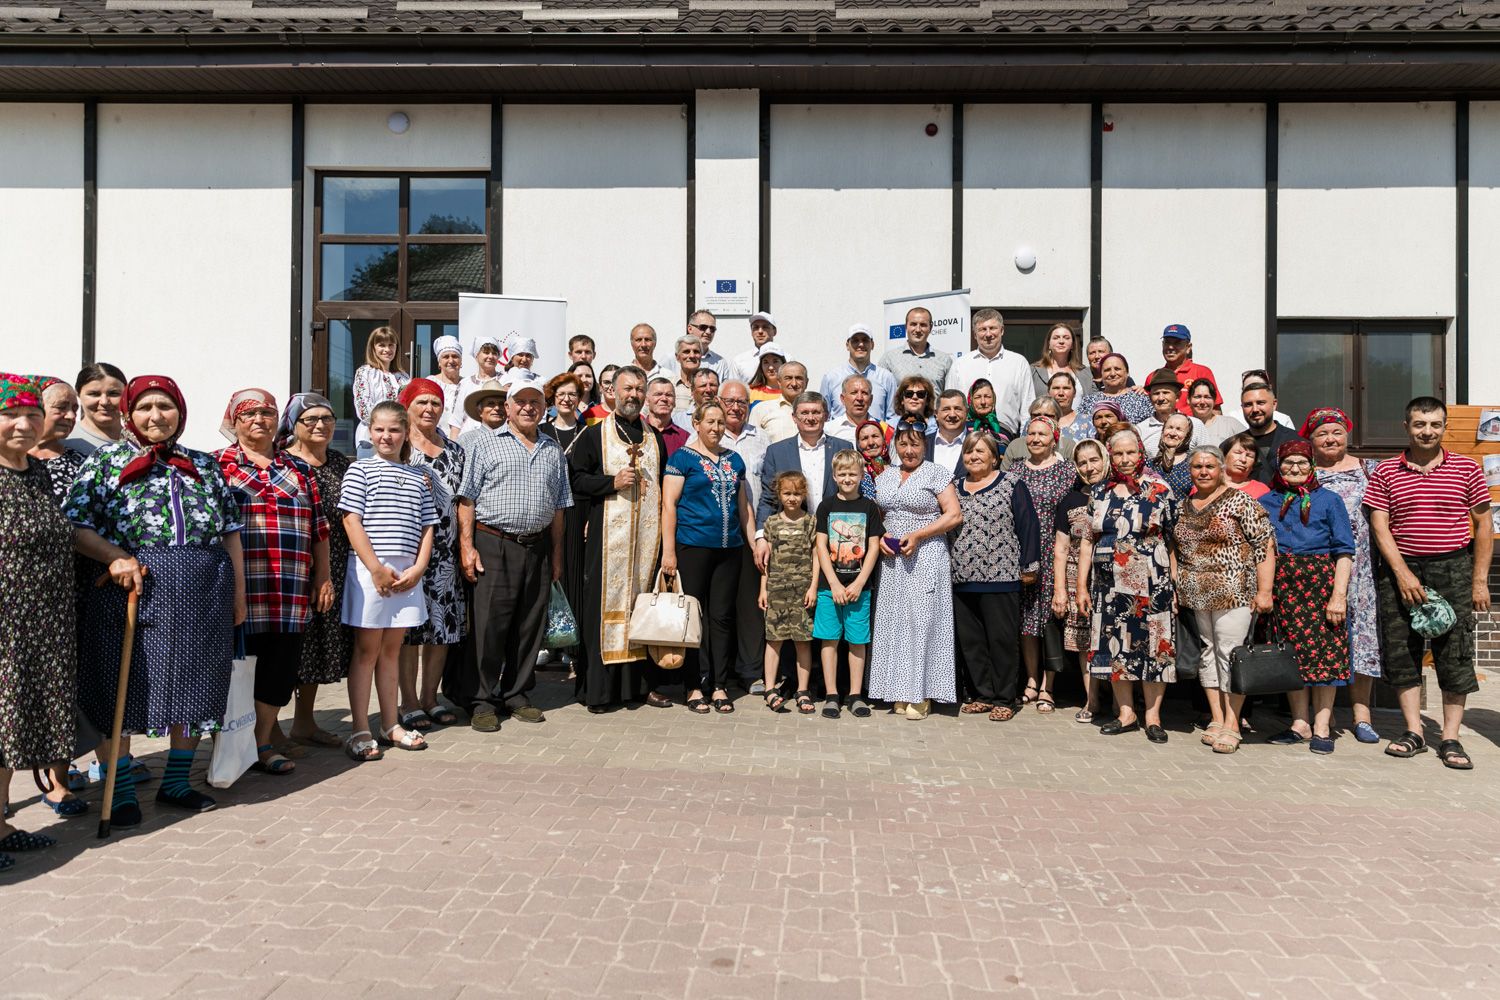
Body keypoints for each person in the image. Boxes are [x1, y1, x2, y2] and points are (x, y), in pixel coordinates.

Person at [66, 374, 245, 822]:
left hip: (203, 593)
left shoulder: (203, 464)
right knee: (118, 691)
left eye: (164, 407)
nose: (155, 416)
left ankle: (176, 783)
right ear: (129, 413)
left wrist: (239, 595)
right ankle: (120, 789)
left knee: (196, 687)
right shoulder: (105, 462)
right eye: (144, 407)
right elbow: (77, 527)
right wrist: (115, 558)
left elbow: (230, 534)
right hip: (131, 590)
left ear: (179, 412)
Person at [1365, 397, 1491, 770]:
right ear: (1406, 427)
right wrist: (1402, 573)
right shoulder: (1386, 471)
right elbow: (1379, 525)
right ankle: (1413, 731)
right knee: (1403, 651)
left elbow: (1484, 525)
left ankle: (1450, 738)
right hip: (1401, 570)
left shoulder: (1467, 468)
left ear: (1444, 426)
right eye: (1420, 424)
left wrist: (1480, 580)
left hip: (1453, 568)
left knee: (1455, 653)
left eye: (1435, 424)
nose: (1427, 431)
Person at [216, 387, 332, 777]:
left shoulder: (298, 470)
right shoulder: (216, 466)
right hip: (238, 591)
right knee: (233, 670)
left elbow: (320, 529)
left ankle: (261, 743)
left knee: (278, 671)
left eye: (266, 413)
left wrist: (323, 577)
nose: (259, 421)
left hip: (289, 590)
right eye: (248, 414)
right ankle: (231, 745)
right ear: (233, 420)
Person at [454, 373, 572, 731]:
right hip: (494, 543)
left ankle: (517, 694)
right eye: (520, 401)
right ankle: (482, 700)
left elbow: (558, 508)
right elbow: (466, 498)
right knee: (489, 626)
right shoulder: (484, 443)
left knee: (528, 626)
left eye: (535, 401)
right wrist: (467, 546)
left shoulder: (552, 449)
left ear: (543, 407)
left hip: (536, 546)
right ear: (507, 407)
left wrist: (556, 555)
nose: (528, 407)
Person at [0, 375, 91, 836]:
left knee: (21, 720)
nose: (23, 425)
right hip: (7, 620)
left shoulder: (34, 471)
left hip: (46, 616)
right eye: (10, 415)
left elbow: (66, 531)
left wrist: (116, 557)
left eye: (32, 415)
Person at [339, 401, 437, 759]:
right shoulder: (359, 471)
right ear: (369, 432)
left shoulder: (417, 476)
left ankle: (391, 723)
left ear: (405, 433)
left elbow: (428, 526)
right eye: (379, 429)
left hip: (407, 574)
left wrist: (419, 567)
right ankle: (360, 728)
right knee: (367, 651)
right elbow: (352, 521)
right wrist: (376, 568)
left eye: (394, 430)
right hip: (370, 572)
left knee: (392, 651)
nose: (386, 436)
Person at [567, 366, 665, 712]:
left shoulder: (654, 438)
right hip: (606, 540)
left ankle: (637, 687)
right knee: (602, 611)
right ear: (613, 391)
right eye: (627, 388)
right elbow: (576, 479)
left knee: (641, 609)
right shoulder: (595, 435)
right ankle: (599, 690)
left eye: (639, 389)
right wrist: (610, 482)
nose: (633, 395)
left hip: (645, 544)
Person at [1076, 427, 1179, 744]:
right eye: (1118, 453)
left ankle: (1152, 716)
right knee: (1116, 646)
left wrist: (1174, 581)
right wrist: (1081, 586)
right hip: (1108, 585)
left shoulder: (1159, 490)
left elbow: (1173, 539)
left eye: (1130, 452)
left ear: (1140, 454)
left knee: (1154, 648)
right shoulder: (1099, 493)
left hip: (1152, 579)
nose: (1124, 459)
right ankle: (1126, 713)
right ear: (1111, 456)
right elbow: (1086, 541)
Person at [1174, 446, 1275, 754]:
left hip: (1235, 591)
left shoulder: (1241, 501)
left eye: (1209, 466)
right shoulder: (1184, 505)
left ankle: (1233, 723)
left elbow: (1265, 544)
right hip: (1196, 594)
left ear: (1221, 469)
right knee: (1207, 653)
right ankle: (1216, 718)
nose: (1203, 471)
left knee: (1230, 654)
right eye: (1197, 467)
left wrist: (1265, 591)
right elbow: (1175, 547)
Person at [1259, 440, 1356, 755]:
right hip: (1283, 586)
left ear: (1312, 465)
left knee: (1325, 657)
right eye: (1289, 463)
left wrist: (1338, 596)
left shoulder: (1329, 500)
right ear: (1279, 465)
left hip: (1320, 584)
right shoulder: (1267, 501)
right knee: (1291, 656)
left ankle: (1323, 726)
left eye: (1302, 462)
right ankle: (1299, 723)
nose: (1295, 468)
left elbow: (1344, 551)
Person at [662, 399, 755, 715]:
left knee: (722, 618)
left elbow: (744, 507)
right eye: (710, 422)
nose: (716, 428)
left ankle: (719, 684)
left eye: (720, 422)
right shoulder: (682, 459)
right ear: (697, 424)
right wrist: (669, 552)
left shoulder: (735, 459)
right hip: (693, 547)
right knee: (692, 617)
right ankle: (693, 685)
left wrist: (753, 541)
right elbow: (669, 505)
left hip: (729, 550)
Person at [276, 392, 357, 748]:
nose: (321, 425)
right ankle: (268, 728)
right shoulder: (281, 464)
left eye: (327, 418)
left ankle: (304, 722)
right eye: (311, 419)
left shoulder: (340, 462)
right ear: (294, 425)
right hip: (292, 564)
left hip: (335, 561)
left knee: (317, 646)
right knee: (286, 648)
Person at [868, 419, 963, 719]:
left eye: (915, 444)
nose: (908, 450)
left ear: (925, 445)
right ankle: (896, 690)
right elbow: (877, 516)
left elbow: (954, 515)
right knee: (894, 621)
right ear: (894, 445)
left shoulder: (936, 473)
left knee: (922, 621)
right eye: (903, 444)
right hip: (892, 559)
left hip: (926, 555)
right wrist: (881, 536)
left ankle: (921, 694)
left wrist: (920, 535)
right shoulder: (884, 476)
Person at [1307, 406, 1383, 743]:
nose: (1330, 438)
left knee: (1363, 638)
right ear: (1311, 439)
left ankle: (1361, 714)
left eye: (1336, 431)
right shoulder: (1305, 474)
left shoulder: (1370, 470)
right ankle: (1320, 716)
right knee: (1322, 638)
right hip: (1321, 569)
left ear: (1347, 434)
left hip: (1363, 570)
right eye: (1322, 433)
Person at [951, 432, 1039, 720]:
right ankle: (982, 694)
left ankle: (1004, 697)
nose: (973, 456)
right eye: (968, 452)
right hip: (963, 576)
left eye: (980, 451)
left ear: (994, 456)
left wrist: (1030, 566)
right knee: (972, 640)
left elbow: (1028, 526)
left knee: (1001, 640)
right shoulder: (955, 487)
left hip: (1001, 576)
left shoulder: (1011, 484)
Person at [397, 378, 467, 732]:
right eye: (421, 402)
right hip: (408, 553)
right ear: (407, 406)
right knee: (410, 632)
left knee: (443, 628)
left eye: (435, 403)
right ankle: (408, 701)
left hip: (446, 557)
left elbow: (463, 502)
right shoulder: (398, 446)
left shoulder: (455, 450)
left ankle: (430, 698)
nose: (429, 409)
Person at [813, 449, 885, 720]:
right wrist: (833, 583)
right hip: (829, 587)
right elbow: (821, 546)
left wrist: (858, 583)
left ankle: (855, 694)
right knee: (829, 640)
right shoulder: (826, 506)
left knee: (857, 641)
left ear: (861, 475)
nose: (847, 478)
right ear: (834, 476)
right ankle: (832, 694)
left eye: (852, 473)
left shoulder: (868, 508)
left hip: (859, 588)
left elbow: (874, 547)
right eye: (842, 473)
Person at [1014, 414, 1076, 712]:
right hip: (1022, 550)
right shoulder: (1015, 470)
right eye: (1031, 433)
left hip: (1054, 551)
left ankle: (1048, 686)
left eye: (1042, 434)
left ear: (1054, 438)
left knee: (1049, 619)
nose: (1036, 439)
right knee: (1026, 620)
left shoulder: (1066, 471)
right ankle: (1029, 679)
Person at [754, 392, 853, 569]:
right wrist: (761, 537)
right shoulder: (777, 452)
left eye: (816, 412)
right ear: (794, 417)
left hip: (835, 537)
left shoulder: (843, 447)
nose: (810, 418)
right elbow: (768, 499)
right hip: (791, 540)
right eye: (804, 413)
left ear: (826, 415)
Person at [1050, 439, 1110, 724]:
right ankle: (1091, 700)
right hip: (1077, 578)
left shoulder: (1119, 493)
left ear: (1105, 459)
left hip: (1113, 576)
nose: (1089, 467)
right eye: (1083, 462)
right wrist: (1060, 589)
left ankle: (1125, 702)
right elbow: (1060, 549)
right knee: (1086, 642)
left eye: (1094, 460)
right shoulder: (1071, 500)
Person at [720, 380, 772, 694]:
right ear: (719, 401)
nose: (736, 407)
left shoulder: (761, 439)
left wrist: (761, 535)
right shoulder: (708, 435)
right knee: (721, 604)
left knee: (752, 604)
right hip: (718, 531)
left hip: (754, 532)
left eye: (742, 402)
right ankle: (721, 670)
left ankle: (751, 670)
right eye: (730, 401)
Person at [541, 372, 589, 677]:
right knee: (547, 577)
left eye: (573, 394)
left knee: (573, 578)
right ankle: (545, 645)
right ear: (553, 397)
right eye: (562, 394)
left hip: (578, 511)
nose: (567, 399)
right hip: (545, 512)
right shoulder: (542, 430)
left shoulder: (589, 432)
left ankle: (572, 651)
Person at [758, 470, 817, 715]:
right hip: (777, 590)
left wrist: (813, 586)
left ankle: (803, 690)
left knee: (803, 641)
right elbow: (766, 561)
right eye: (787, 493)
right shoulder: (771, 523)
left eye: (797, 493)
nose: (792, 498)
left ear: (804, 495)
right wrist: (763, 588)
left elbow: (816, 557)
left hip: (802, 591)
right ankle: (770, 689)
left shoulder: (811, 522)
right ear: (779, 495)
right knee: (774, 641)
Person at [949, 308, 1035, 435]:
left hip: (1007, 439)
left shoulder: (1018, 363)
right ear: (974, 334)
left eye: (993, 328)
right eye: (982, 329)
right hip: (966, 438)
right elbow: (950, 403)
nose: (988, 334)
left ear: (1002, 330)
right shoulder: (960, 364)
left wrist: (1023, 441)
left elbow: (1027, 407)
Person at [352, 326, 411, 459]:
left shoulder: (403, 377)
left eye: (391, 345)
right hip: (371, 439)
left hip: (396, 439)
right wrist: (384, 426)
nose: (387, 350)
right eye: (382, 345)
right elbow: (363, 409)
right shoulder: (365, 372)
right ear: (373, 347)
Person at [822, 324, 896, 422]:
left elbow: (892, 418)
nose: (860, 344)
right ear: (847, 345)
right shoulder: (831, 377)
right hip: (839, 436)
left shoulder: (886, 377)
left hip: (875, 436)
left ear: (872, 345)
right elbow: (823, 415)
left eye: (865, 340)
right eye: (855, 340)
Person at [28, 377, 84, 503]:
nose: (71, 416)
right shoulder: (7, 460)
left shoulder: (82, 465)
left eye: (74, 409)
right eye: (61, 407)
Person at [880, 305, 953, 392]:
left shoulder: (945, 360)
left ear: (931, 328)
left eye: (923, 325)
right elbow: (881, 393)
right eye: (913, 324)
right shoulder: (889, 359)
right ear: (906, 327)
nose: (918, 329)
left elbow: (950, 397)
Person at [1241, 381, 1300, 485]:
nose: (1255, 409)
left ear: (1274, 404)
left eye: (1261, 403)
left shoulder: (1296, 441)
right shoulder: (1233, 446)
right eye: (1248, 404)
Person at [63, 362, 127, 456]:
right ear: (78, 394)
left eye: (113, 393)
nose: (104, 402)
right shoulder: (64, 441)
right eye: (94, 394)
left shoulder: (141, 442)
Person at [1137, 368, 1204, 453]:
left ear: (1178, 396)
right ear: (1150, 398)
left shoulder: (1196, 425)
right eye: (1156, 393)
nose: (1161, 398)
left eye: (1166, 392)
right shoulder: (1140, 429)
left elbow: (1207, 459)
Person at [1159, 324, 1219, 416]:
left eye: (1177, 342)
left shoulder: (1202, 372)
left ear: (1188, 347)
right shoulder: (1154, 376)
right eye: (1167, 342)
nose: (1170, 347)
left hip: (1196, 429)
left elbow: (1215, 410)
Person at [1002, 397, 1075, 469]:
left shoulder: (1069, 447)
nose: (1042, 419)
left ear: (1058, 419)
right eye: (1036, 415)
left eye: (1048, 416)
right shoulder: (1015, 446)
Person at [1078, 354, 1151, 425]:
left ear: (1127, 372)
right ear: (1101, 375)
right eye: (1107, 370)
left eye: (1117, 369)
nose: (1112, 373)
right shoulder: (1088, 401)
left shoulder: (1141, 398)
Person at [454, 336, 504, 438]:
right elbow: (456, 420)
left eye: (494, 353)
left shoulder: (507, 381)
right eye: (486, 352)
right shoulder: (465, 383)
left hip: (499, 438)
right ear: (476, 355)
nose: (490, 356)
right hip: (467, 439)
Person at [750, 359, 809, 444]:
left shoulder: (816, 410)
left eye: (798, 378)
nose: (794, 383)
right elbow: (752, 444)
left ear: (806, 382)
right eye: (788, 378)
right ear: (779, 382)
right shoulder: (761, 409)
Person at [1031, 322, 1095, 399]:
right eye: (1056, 338)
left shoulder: (1085, 373)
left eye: (1066, 338)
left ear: (1072, 345)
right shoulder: (1033, 372)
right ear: (1049, 344)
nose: (1061, 341)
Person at [1147, 412, 1197, 499]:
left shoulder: (1193, 462)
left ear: (1187, 435)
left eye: (1179, 429)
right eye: (1170, 427)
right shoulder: (1150, 464)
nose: (1173, 433)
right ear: (1163, 430)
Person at [1228, 368, 1295, 430]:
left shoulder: (1283, 419)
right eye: (1248, 388)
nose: (1255, 409)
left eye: (1259, 387)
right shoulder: (1232, 418)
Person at [826, 373, 884, 443]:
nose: (859, 398)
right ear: (843, 399)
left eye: (864, 393)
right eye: (854, 393)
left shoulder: (884, 429)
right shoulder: (829, 430)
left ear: (871, 399)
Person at [1188, 377, 1244, 444]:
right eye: (1197, 397)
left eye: (1207, 397)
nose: (1202, 402)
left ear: (1214, 401)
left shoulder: (1230, 424)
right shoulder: (1183, 426)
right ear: (1188, 400)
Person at [928, 389, 969, 475]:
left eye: (958, 409)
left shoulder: (978, 443)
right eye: (946, 409)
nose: (952, 415)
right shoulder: (923, 444)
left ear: (967, 412)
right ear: (936, 414)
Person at [687, 309, 735, 381]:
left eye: (712, 329)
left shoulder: (720, 362)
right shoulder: (673, 359)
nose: (708, 332)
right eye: (703, 327)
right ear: (690, 329)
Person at [645, 377, 689, 456]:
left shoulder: (685, 438)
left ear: (675, 402)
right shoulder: (636, 432)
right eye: (658, 394)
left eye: (669, 395)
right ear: (647, 400)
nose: (664, 399)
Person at [432, 335, 465, 437]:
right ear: (439, 362)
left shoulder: (467, 384)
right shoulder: (431, 383)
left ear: (461, 361)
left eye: (455, 356)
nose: (451, 361)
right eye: (446, 357)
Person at [733, 311, 778, 383]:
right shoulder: (739, 361)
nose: (760, 331)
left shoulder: (787, 359)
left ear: (774, 331)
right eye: (756, 327)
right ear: (751, 332)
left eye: (765, 327)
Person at [1222, 432, 1271, 499]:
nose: (1243, 459)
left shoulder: (1261, 491)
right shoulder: (1208, 484)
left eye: (1249, 456)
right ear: (1224, 456)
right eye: (1238, 453)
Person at [1051, 370, 1092, 444]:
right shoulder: (1036, 421)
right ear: (1048, 392)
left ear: (1074, 393)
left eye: (1066, 388)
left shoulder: (1088, 422)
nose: (1061, 393)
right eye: (1056, 388)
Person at [746, 343, 787, 410]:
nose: (771, 367)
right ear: (761, 366)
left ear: (783, 363)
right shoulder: (751, 392)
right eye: (766, 362)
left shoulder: (791, 392)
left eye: (775, 361)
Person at [671, 331, 706, 409]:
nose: (692, 355)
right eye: (686, 352)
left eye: (696, 351)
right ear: (677, 357)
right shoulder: (669, 386)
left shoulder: (709, 387)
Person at [856, 420, 889, 500]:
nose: (871, 442)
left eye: (875, 436)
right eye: (865, 438)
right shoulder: (854, 474)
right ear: (858, 444)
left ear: (884, 439)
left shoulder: (897, 471)